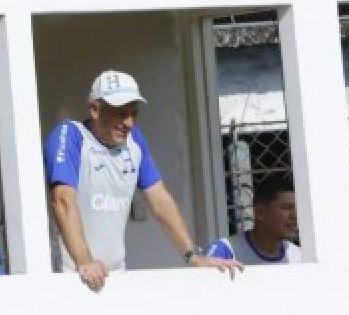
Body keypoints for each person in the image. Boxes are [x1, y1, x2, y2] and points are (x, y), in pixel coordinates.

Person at [43, 69, 242, 292]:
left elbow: (159, 200)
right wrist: (85, 261)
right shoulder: (70, 135)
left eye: (133, 113)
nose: (128, 122)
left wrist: (193, 256)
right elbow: (62, 200)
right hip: (69, 275)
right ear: (95, 110)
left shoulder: (134, 140)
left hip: (113, 275)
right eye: (120, 113)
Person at [207, 175, 301, 265]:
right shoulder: (224, 251)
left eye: (298, 209)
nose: (295, 215)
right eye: (286, 207)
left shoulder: (300, 257)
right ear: (260, 212)